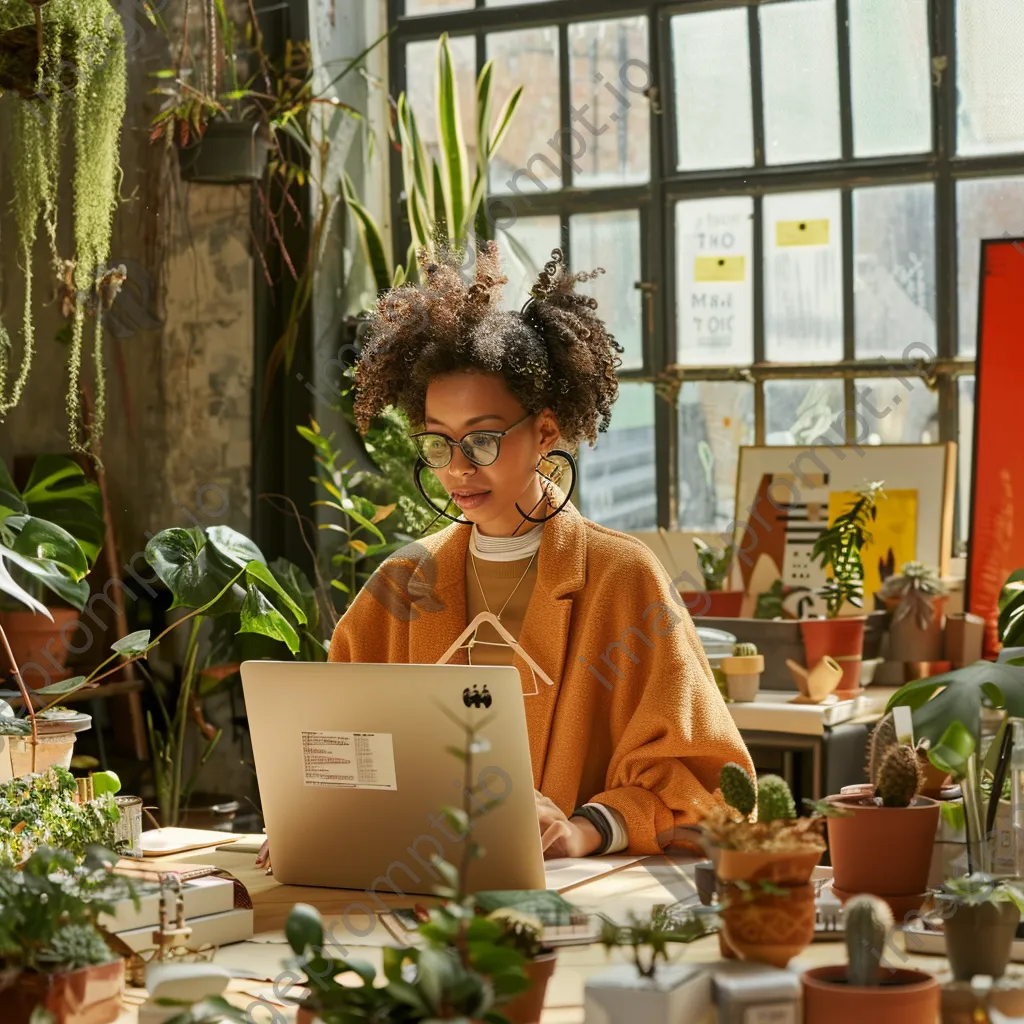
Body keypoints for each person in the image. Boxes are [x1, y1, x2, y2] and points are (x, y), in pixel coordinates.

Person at [260, 244, 752, 867]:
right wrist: (316, 816)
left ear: (546, 432)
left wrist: (585, 829)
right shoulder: (399, 585)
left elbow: (707, 782)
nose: (459, 468)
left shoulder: (622, 578)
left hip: (573, 897)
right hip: (414, 886)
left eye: (484, 439)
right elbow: (333, 749)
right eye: (439, 444)